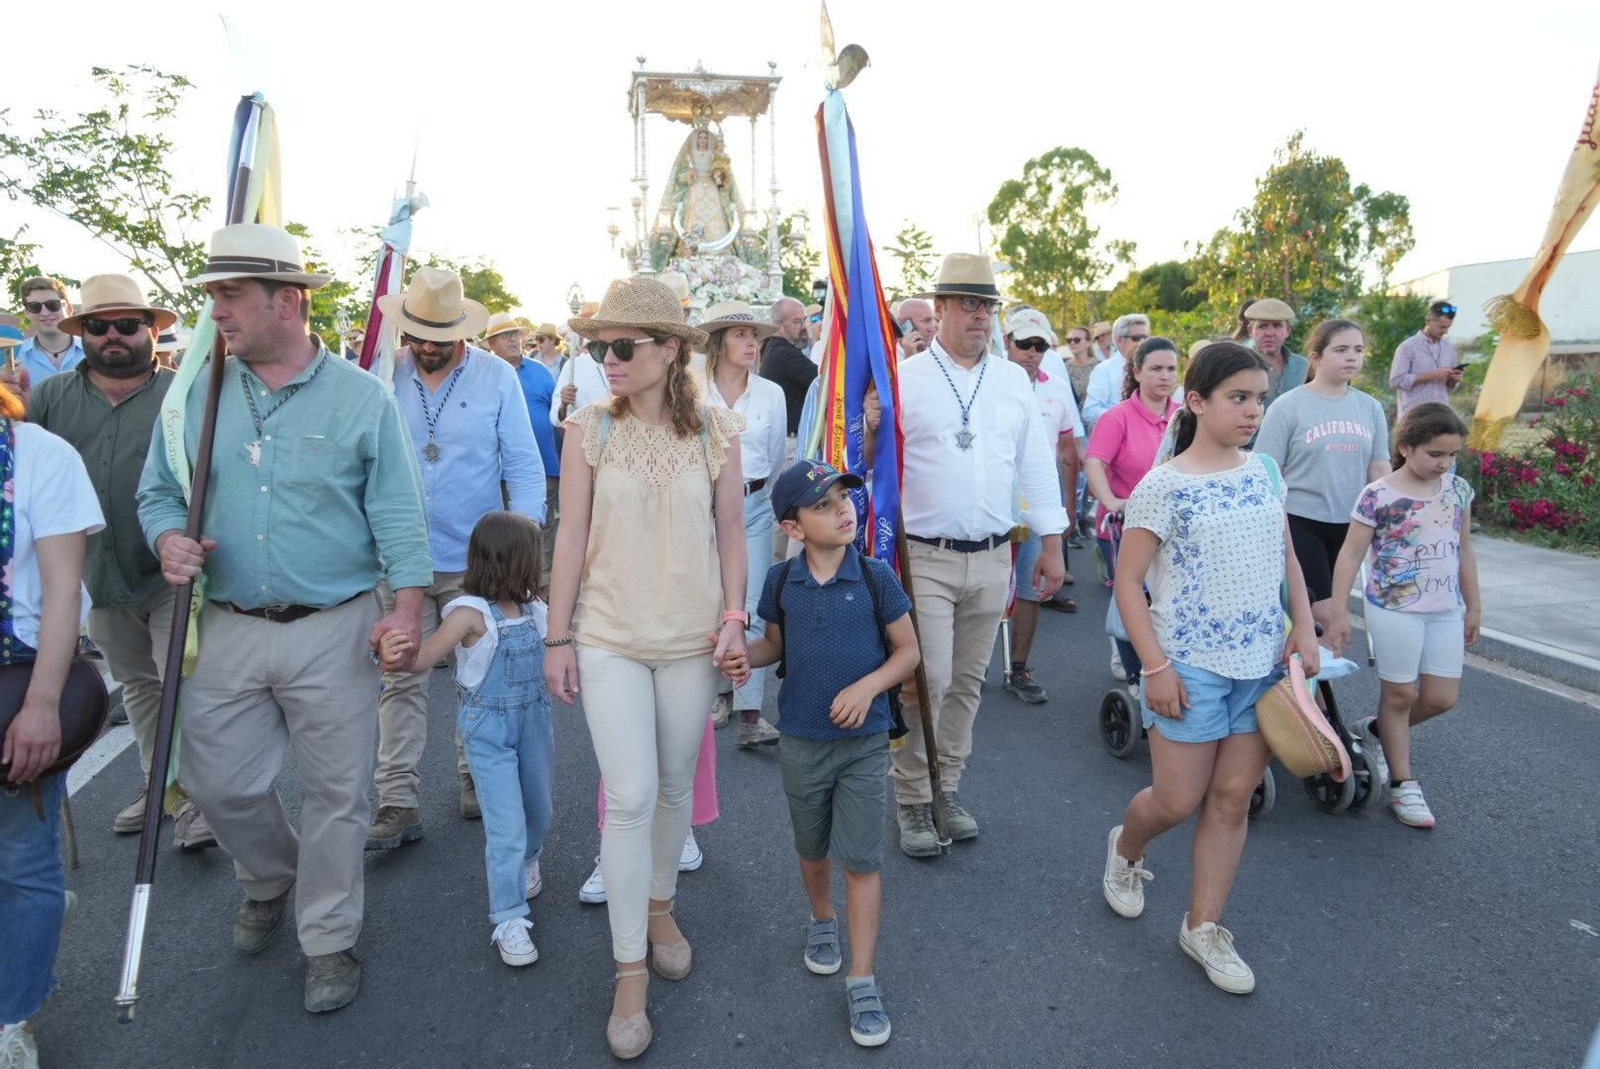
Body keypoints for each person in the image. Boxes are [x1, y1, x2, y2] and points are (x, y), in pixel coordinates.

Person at [137, 223, 432, 1014]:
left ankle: (329, 936)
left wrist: (406, 611)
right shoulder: (194, 395)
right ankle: (272, 875)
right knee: (216, 782)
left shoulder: (362, 398)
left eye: (231, 295)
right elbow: (158, 491)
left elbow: (399, 514)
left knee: (338, 794)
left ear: (288, 301)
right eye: (213, 296)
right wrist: (167, 537)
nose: (217, 312)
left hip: (334, 626)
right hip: (227, 621)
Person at [542, 275, 749, 1060]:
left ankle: (661, 907)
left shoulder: (717, 431)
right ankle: (629, 970)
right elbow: (569, 537)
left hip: (692, 638)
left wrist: (736, 617)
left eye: (622, 345)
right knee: (628, 795)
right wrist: (557, 637)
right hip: (609, 635)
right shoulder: (587, 428)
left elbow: (732, 533)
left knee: (671, 789)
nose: (609, 359)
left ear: (669, 351)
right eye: (601, 346)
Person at [1101, 342, 1319, 996]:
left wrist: (1304, 625)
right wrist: (1156, 667)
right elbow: (1129, 583)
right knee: (1176, 800)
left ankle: (1203, 926)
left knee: (1231, 799)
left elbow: (1285, 557)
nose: (1253, 411)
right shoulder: (1162, 486)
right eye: (1238, 398)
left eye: (1260, 398)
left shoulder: (1266, 472)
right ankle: (1125, 848)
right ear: (1196, 401)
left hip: (1262, 664)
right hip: (1188, 665)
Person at [30, 273, 215, 846]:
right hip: (96, 577)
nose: (113, 335)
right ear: (81, 333)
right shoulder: (48, 398)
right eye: (98, 325)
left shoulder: (187, 394)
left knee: (184, 684)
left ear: (151, 331)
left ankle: (199, 802)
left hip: (173, 572)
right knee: (139, 687)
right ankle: (160, 787)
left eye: (127, 324)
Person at [893, 254, 1066, 857]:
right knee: (928, 678)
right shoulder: (903, 379)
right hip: (925, 556)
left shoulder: (1013, 381)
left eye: (987, 306)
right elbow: (872, 463)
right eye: (968, 304)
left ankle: (947, 788)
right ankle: (912, 795)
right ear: (939, 308)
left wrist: (1052, 543)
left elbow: (1036, 464)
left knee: (968, 681)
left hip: (994, 554)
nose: (980, 317)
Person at [743, 460, 919, 1048]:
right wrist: (742, 656)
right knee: (811, 846)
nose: (842, 509)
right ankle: (822, 916)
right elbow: (774, 645)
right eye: (823, 504)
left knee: (862, 861)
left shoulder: (875, 576)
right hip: (800, 739)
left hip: (864, 744)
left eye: (844, 498)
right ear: (792, 527)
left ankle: (862, 977)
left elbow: (908, 652)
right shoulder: (780, 582)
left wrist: (869, 687)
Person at [369, 269, 543, 845]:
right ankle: (397, 799)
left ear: (461, 332)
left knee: (480, 673)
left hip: (478, 559)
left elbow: (522, 462)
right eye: (417, 334)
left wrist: (525, 543)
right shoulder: (383, 372)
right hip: (400, 555)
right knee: (401, 675)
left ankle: (474, 774)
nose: (427, 347)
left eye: (439, 337)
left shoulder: (496, 376)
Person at [379, 512, 554, 967]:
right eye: (534, 556)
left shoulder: (536, 609)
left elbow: (564, 648)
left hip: (534, 725)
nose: (540, 564)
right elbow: (425, 658)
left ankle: (528, 860)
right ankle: (509, 917)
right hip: (488, 733)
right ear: (515, 560)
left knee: (539, 810)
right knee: (506, 826)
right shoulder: (467, 613)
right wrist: (397, 653)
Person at [0, 383, 103, 1069]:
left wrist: (42, 706)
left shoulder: (41, 455)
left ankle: (12, 1016)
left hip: (18, 680)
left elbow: (64, 591)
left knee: (21, 859)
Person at [1326, 402, 1479, 829]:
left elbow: (1465, 549)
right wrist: (1339, 612)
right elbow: (1350, 555)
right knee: (1399, 696)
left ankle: (1374, 732)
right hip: (1394, 610)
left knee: (1441, 698)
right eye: (1435, 453)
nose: (1444, 463)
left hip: (1445, 610)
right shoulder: (1378, 495)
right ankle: (1403, 784)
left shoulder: (1458, 490)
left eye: (1452, 454)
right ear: (1406, 447)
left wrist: (1474, 606)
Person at [1254, 319, 1390, 632]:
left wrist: (1389, 515)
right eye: (1340, 350)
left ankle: (1318, 663)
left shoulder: (1370, 407)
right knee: (1323, 612)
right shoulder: (1287, 407)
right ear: (1315, 357)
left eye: (1358, 350)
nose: (1351, 356)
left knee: (1335, 611)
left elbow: (1379, 468)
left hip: (1352, 524)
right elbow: (1267, 471)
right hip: (1300, 521)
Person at [698, 300, 787, 746]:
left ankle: (751, 712)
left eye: (754, 336)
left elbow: (774, 458)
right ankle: (719, 692)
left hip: (753, 504)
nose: (751, 343)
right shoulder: (692, 391)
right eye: (740, 335)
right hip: (700, 507)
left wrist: (758, 496)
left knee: (750, 603)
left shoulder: (771, 393)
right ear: (718, 343)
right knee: (709, 601)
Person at [1085, 336, 1182, 689]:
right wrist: (1110, 501)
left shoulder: (1185, 417)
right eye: (1156, 369)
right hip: (1124, 526)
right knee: (1133, 603)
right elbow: (1094, 462)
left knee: (1168, 604)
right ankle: (1135, 679)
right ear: (1137, 372)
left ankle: (1163, 665)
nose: (1164, 376)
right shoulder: (1118, 417)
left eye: (1171, 369)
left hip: (1174, 529)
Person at [1003, 311, 1082, 704]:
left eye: (1040, 346)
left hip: (1036, 504)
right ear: (1007, 342)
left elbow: (1067, 449)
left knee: (1031, 588)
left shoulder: (1057, 388)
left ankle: (1019, 668)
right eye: (1024, 344)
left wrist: (1067, 507)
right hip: (993, 505)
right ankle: (963, 668)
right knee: (979, 588)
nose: (1031, 353)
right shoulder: (990, 383)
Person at [485, 312, 561, 585]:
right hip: (498, 472)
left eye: (516, 334)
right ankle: (507, 584)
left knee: (541, 527)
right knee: (503, 532)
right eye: (505, 335)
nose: (513, 339)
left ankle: (540, 584)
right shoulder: (484, 375)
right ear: (490, 343)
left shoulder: (540, 371)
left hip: (544, 466)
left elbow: (558, 414)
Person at [9, 277, 84, 396]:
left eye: (53, 305)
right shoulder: (13, 359)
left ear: (69, 308)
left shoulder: (92, 352)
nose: (45, 313)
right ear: (27, 313)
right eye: (34, 306)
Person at [1388, 300, 1463, 417]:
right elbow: (1395, 381)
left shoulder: (1449, 348)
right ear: (1428, 321)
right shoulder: (1407, 347)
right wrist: (1432, 375)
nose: (1445, 332)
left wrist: (1454, 380)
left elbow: (1450, 389)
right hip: (1414, 416)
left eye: (1448, 327)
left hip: (1442, 415)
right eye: (1442, 327)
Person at [760, 297, 818, 441]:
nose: (804, 327)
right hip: (791, 441)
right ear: (778, 327)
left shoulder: (777, 348)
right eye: (797, 322)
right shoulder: (785, 355)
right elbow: (825, 380)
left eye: (805, 320)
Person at [1081, 313, 1150, 426]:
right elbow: (1089, 411)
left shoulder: (1153, 367)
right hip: (1118, 433)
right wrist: (1124, 416)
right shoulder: (1103, 370)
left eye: (1145, 337)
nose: (1142, 342)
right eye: (1136, 338)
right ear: (1119, 341)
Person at [1239, 298, 1309, 407]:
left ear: (1288, 330)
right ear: (1250, 331)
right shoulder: (1239, 366)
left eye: (1277, 326)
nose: (1270, 333)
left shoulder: (1303, 366)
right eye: (1262, 326)